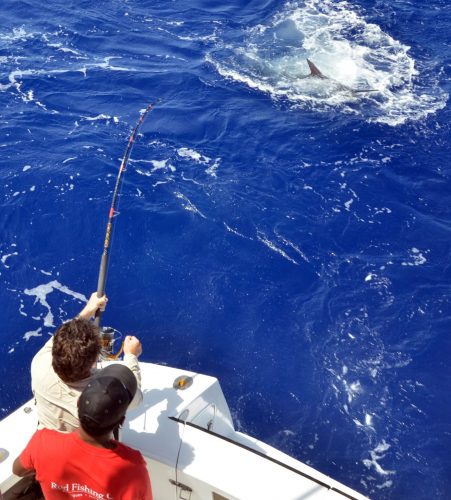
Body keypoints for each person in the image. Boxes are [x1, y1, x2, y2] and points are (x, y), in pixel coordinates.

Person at [13, 364, 153, 499]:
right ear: (121, 421)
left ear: (78, 403)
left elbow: (17, 470)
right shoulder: (133, 469)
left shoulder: (42, 442)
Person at [31, 292, 143, 432]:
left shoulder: (40, 362)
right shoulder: (104, 394)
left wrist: (89, 309)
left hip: (48, 438)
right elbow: (137, 397)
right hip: (85, 449)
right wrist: (131, 356)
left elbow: (64, 334)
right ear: (94, 361)